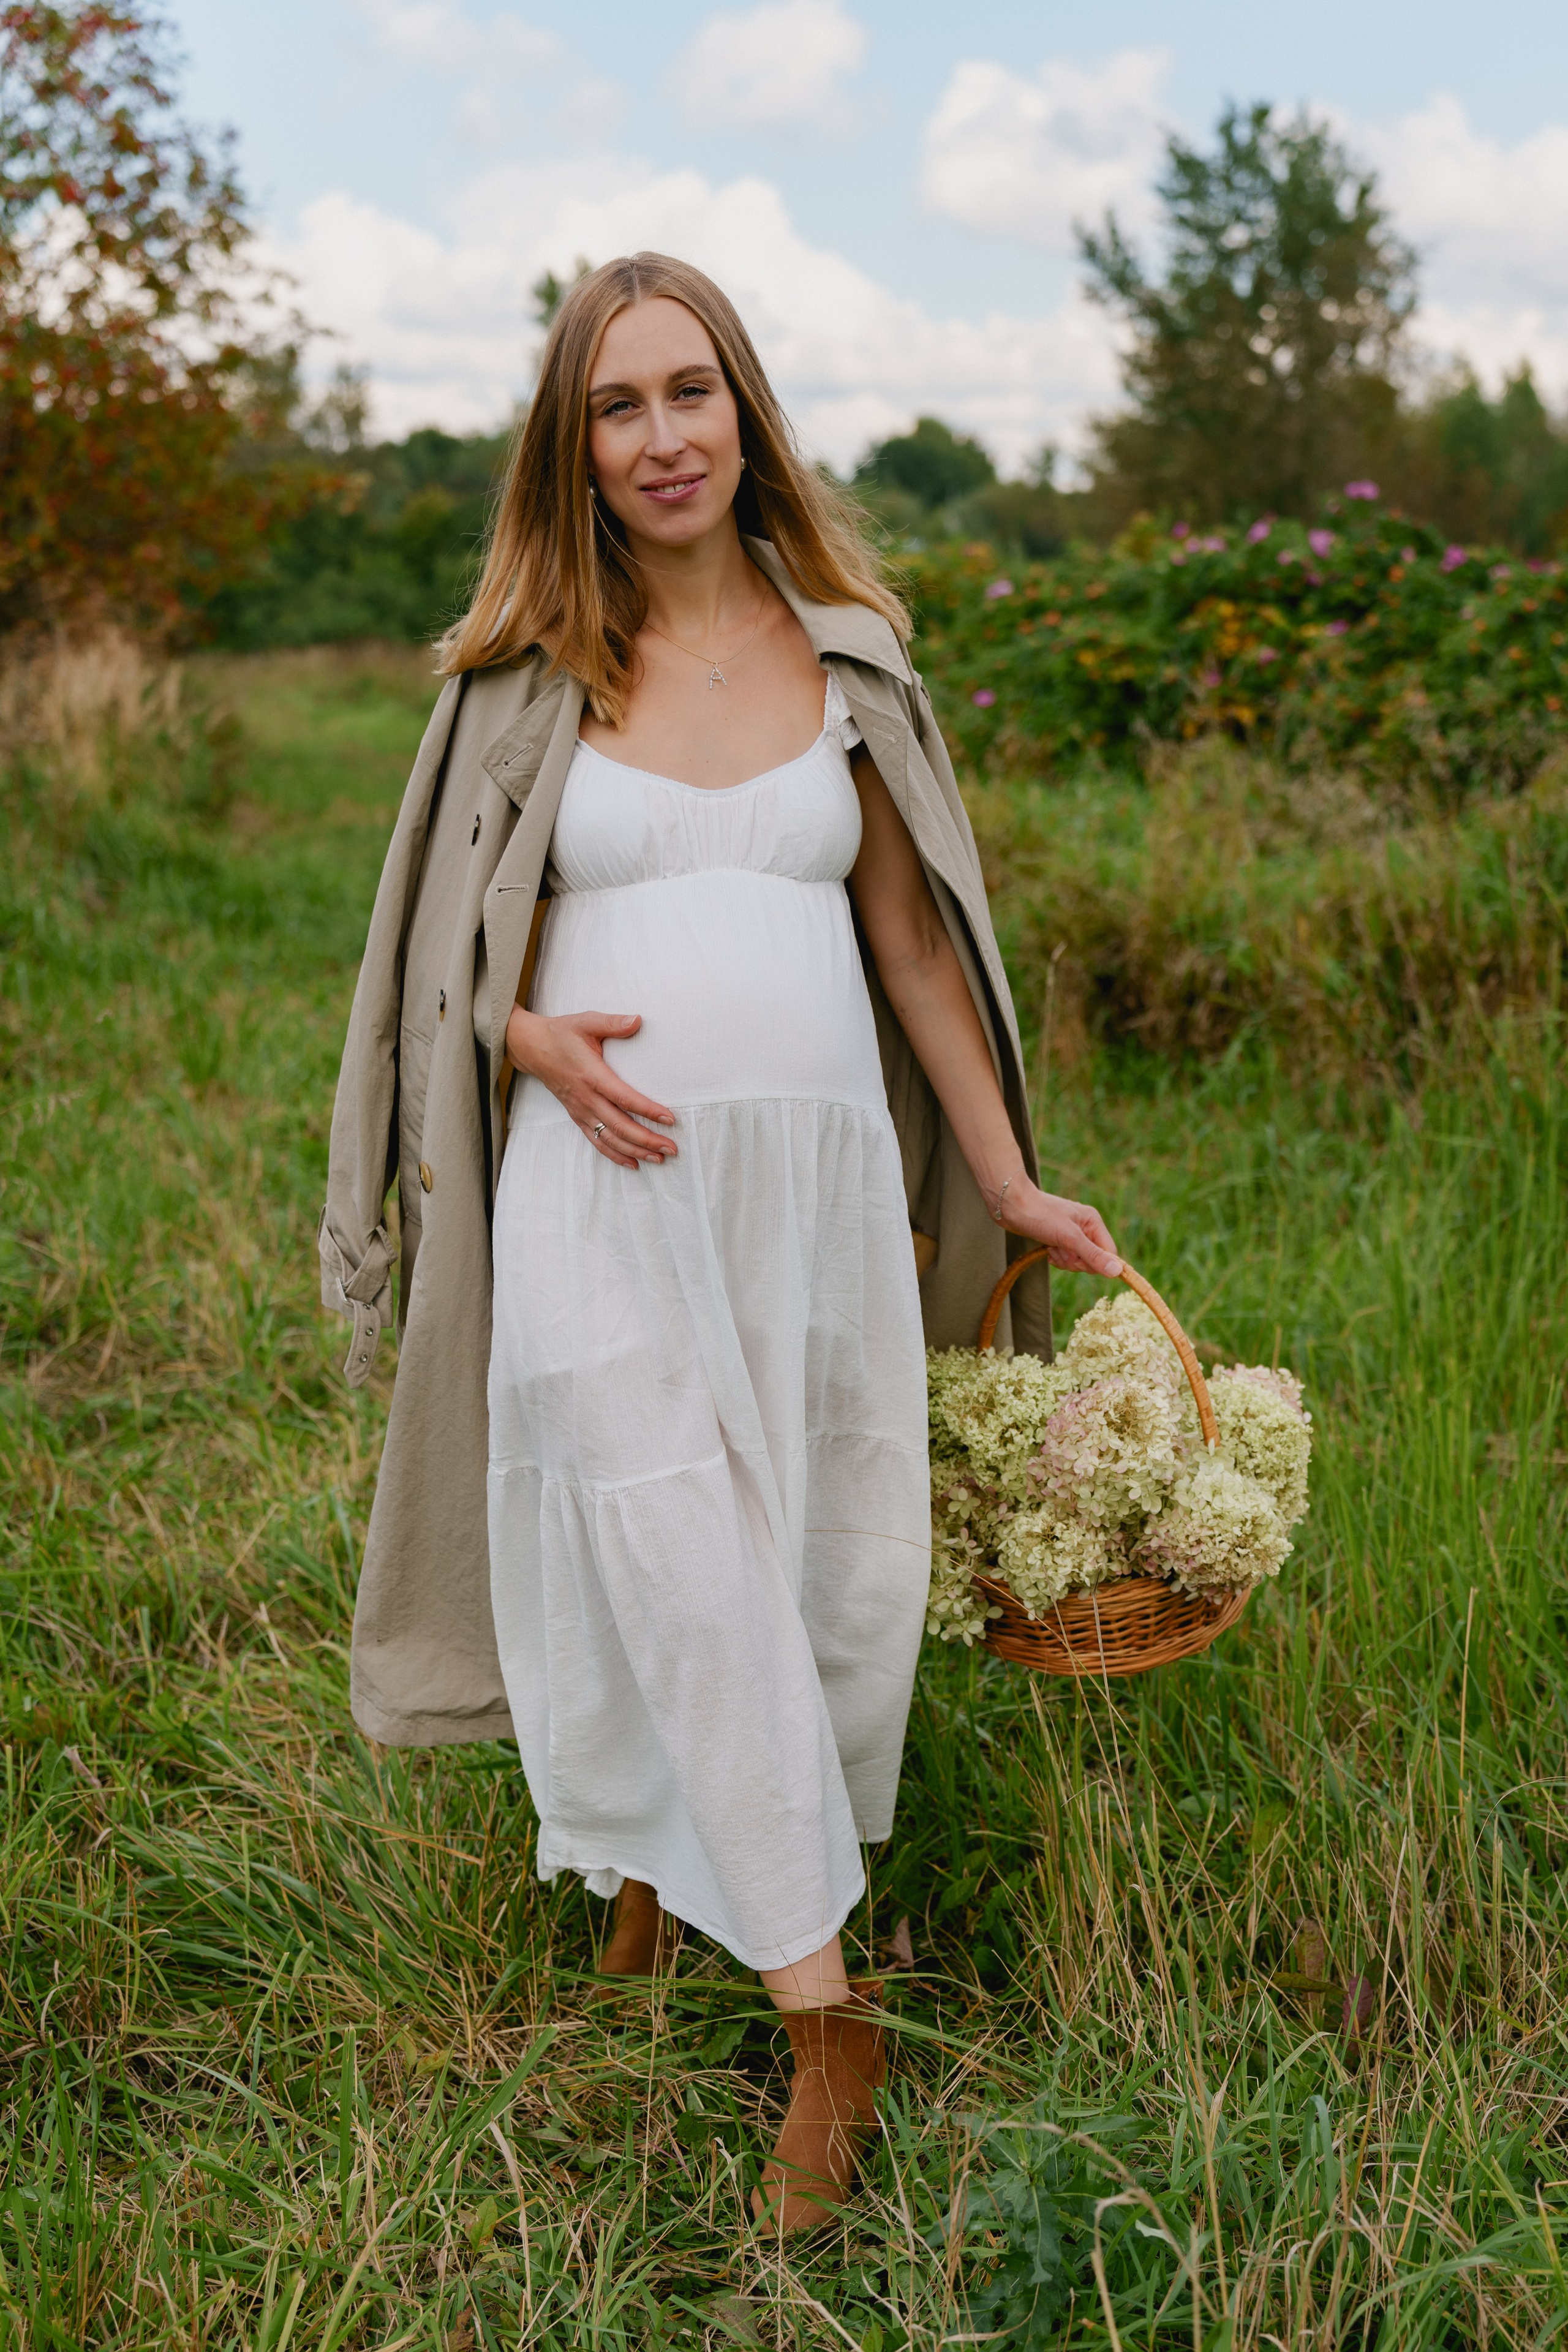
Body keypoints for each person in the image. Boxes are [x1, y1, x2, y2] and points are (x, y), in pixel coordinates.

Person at [318, 252, 1119, 2236]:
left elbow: (913, 939)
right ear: (570, 447)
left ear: (743, 411)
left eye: (692, 393)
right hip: (609, 1177)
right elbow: (437, 958)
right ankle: (826, 2017)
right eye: (617, 406)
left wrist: (1008, 1181)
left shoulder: (850, 654)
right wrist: (517, 1034)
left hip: (821, 1191)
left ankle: (674, 1889)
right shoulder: (521, 675)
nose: (662, 437)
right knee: (663, 1534)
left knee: (815, 1566)